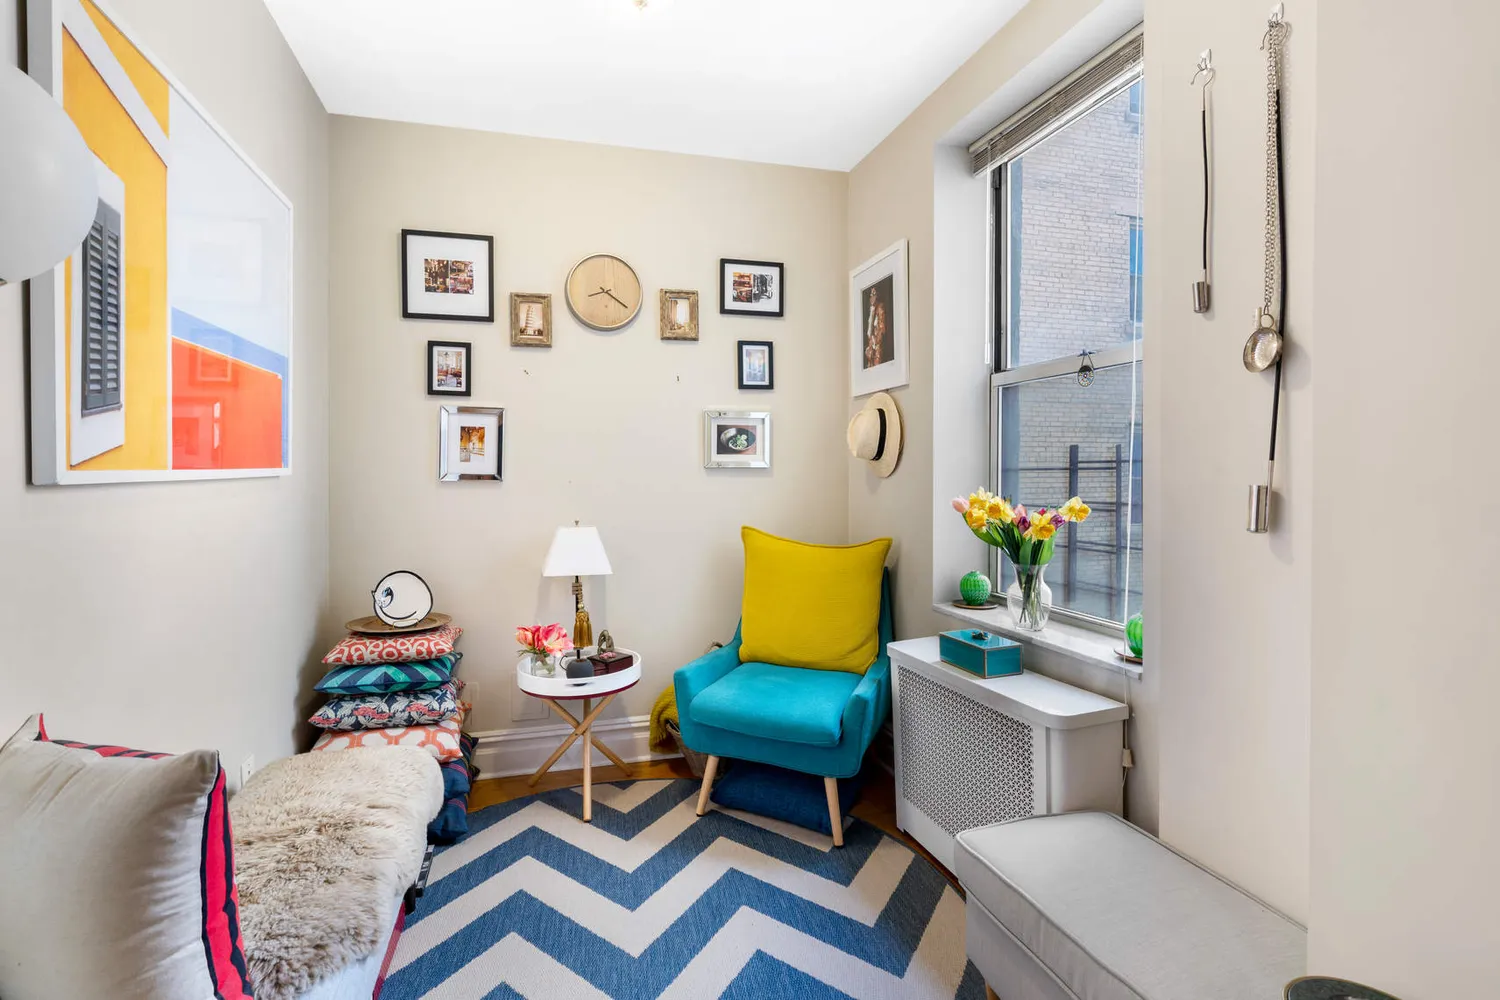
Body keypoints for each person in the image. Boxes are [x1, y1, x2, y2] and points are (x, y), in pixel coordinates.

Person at [864, 287, 888, 369]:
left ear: (877, 295)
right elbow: (869, 330)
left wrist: (876, 341)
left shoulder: (880, 307)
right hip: (871, 346)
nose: (872, 297)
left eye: (874, 294)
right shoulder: (872, 309)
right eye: (871, 295)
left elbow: (882, 328)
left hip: (877, 345)